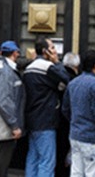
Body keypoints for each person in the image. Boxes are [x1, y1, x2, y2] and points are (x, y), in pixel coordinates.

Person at [62, 50, 95, 177]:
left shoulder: (73, 83)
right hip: (93, 138)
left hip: (76, 135)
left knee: (76, 173)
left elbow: (66, 109)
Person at [23, 36, 69, 177]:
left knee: (33, 157)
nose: (55, 51)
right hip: (45, 119)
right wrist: (57, 63)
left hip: (32, 118)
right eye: (52, 48)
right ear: (45, 51)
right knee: (47, 161)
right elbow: (66, 79)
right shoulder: (47, 67)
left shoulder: (28, 68)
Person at [0, 40, 26, 177]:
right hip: (3, 126)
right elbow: (4, 101)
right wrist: (14, 125)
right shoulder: (5, 72)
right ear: (15, 53)